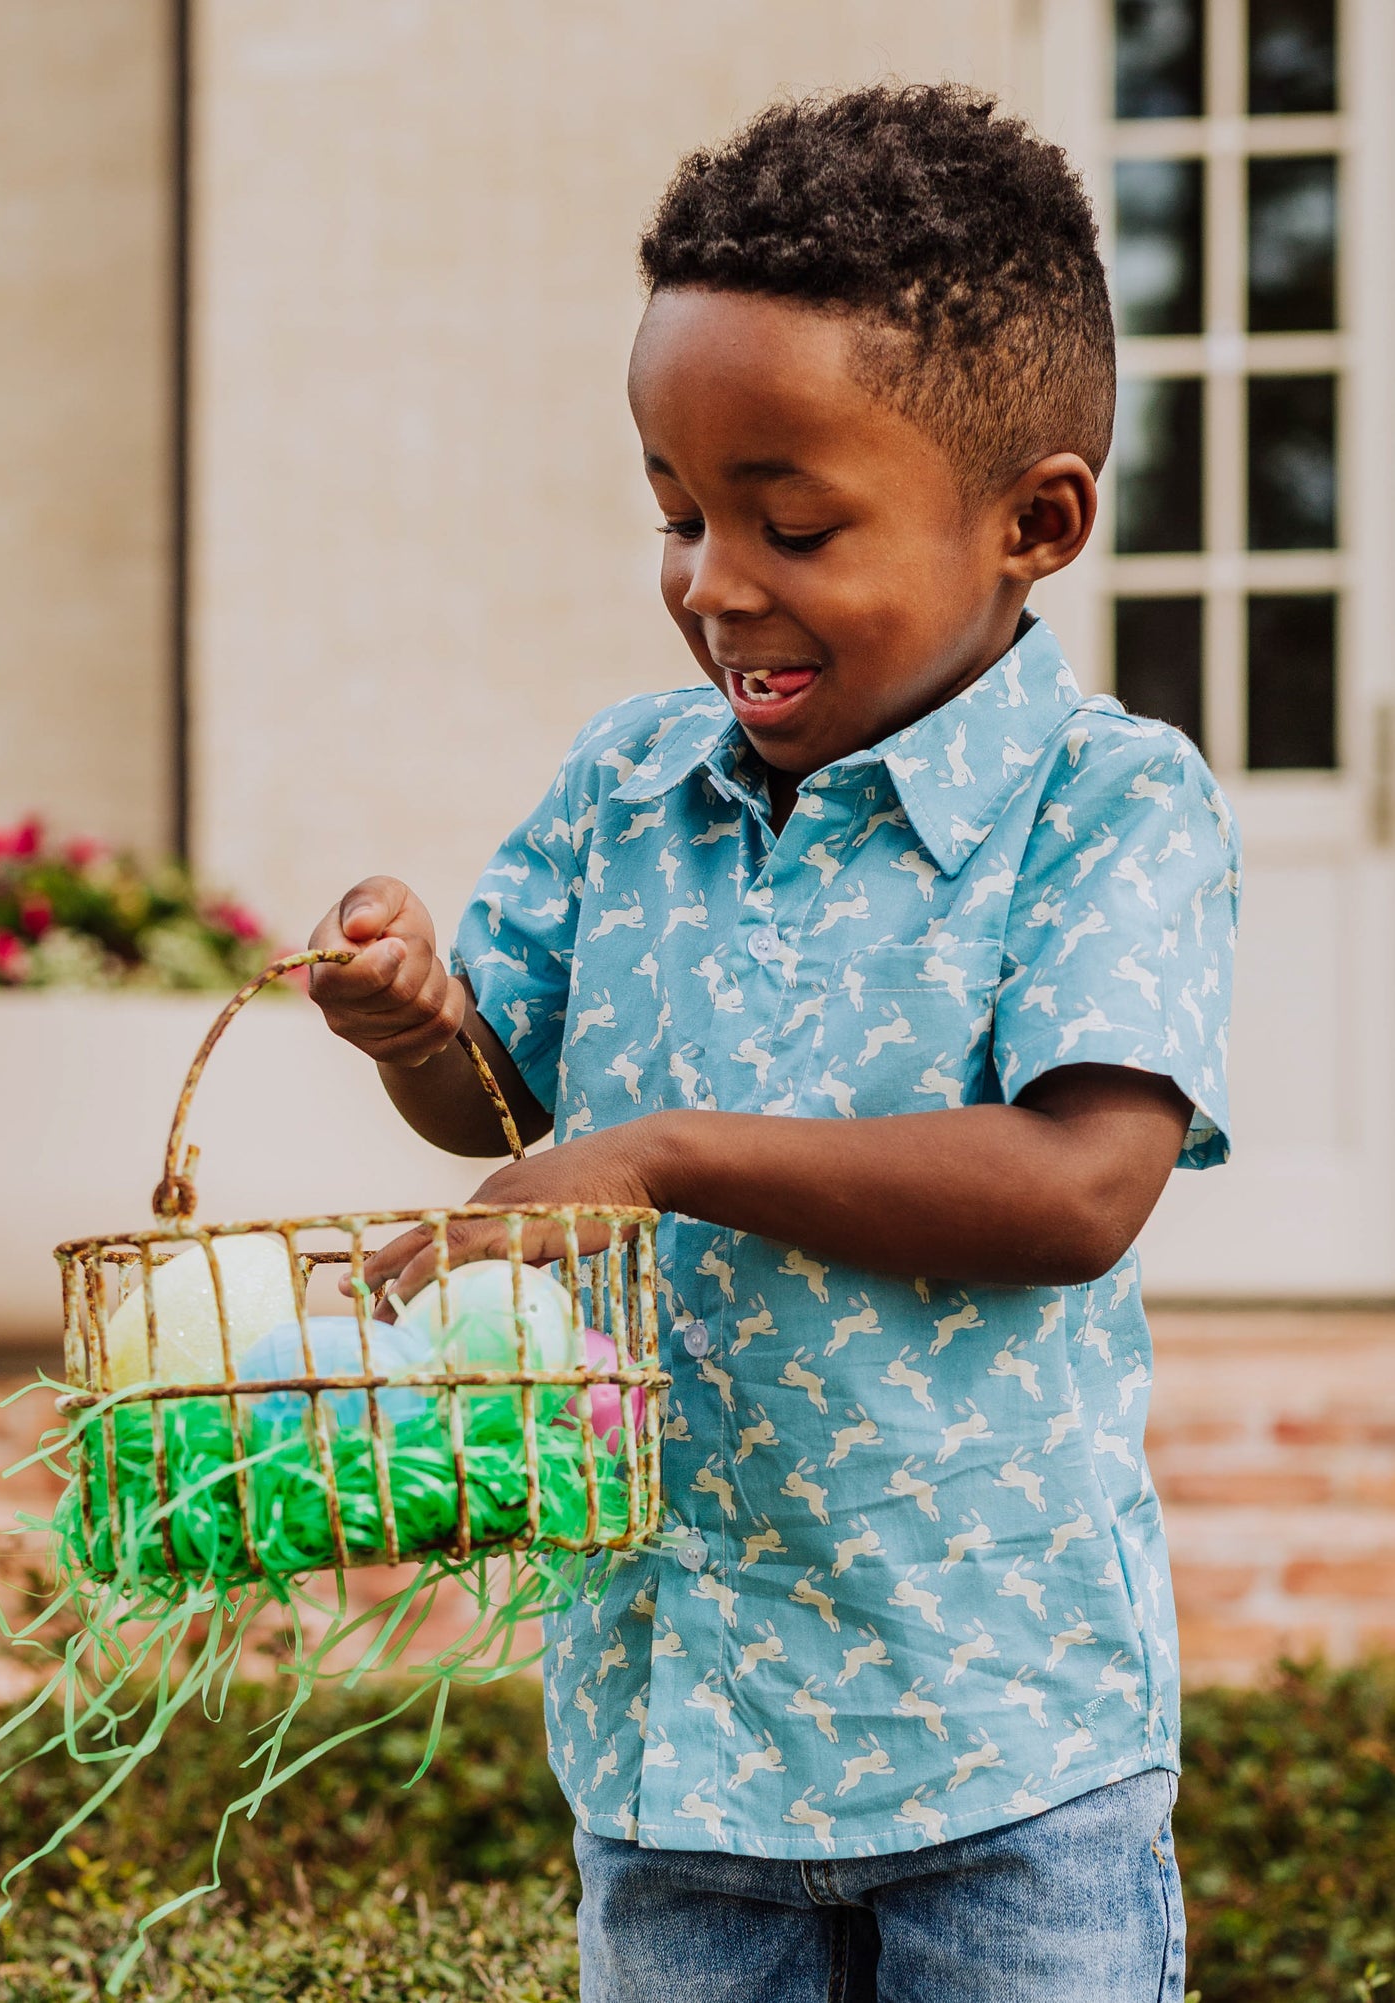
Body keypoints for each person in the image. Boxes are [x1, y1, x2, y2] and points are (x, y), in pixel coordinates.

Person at [308, 82, 1236, 2003]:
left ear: (1034, 521)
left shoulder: (1109, 807)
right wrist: (423, 1024)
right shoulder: (626, 782)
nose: (716, 582)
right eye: (678, 511)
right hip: (677, 1751)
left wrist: (668, 1157)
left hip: (1002, 1768)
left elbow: (1079, 1186)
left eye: (792, 523)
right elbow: (513, 1115)